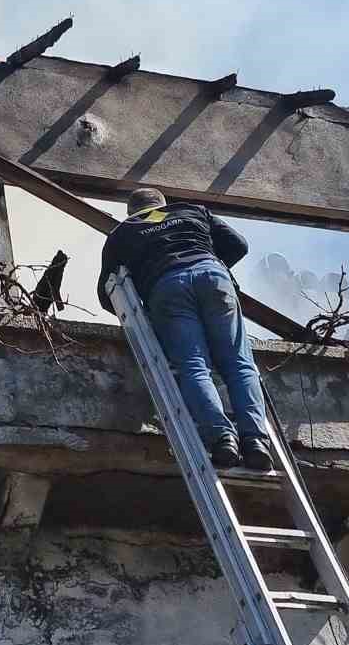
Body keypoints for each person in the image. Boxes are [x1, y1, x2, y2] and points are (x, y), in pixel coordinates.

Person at [97, 187, 272, 472]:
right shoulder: (193, 210)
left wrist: (144, 305)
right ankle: (255, 441)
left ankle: (222, 438)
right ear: (163, 204)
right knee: (240, 365)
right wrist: (207, 260)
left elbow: (108, 293)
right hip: (213, 278)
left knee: (194, 367)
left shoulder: (123, 231)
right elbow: (238, 245)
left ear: (131, 211)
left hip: (167, 288)